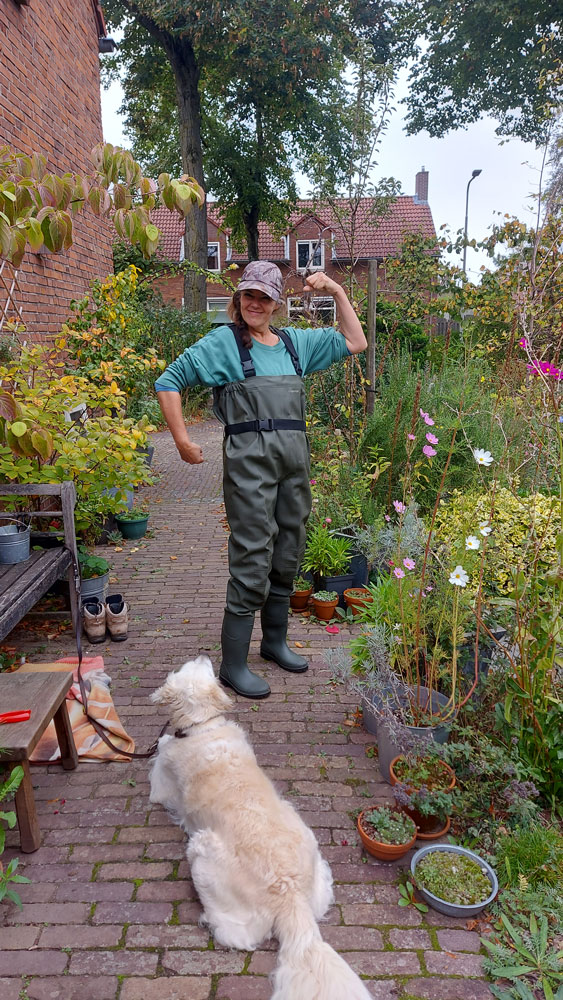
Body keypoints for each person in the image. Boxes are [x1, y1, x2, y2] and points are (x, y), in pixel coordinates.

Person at [155, 261, 367, 699]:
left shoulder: (295, 345)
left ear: (276, 303)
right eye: (249, 295)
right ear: (239, 298)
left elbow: (356, 340)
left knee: (288, 553)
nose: (255, 303)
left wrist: (337, 290)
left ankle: (273, 642)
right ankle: (233, 666)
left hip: (294, 468)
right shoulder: (224, 343)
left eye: (265, 297)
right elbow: (168, 380)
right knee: (253, 560)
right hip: (250, 467)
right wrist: (180, 440)